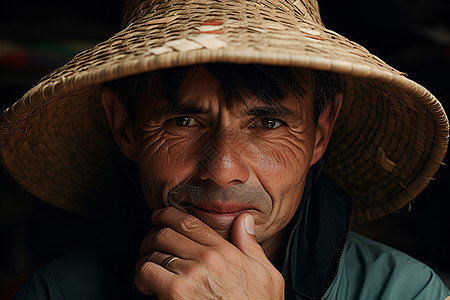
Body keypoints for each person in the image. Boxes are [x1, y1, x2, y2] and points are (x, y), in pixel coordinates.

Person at [1, 0, 449, 299]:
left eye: (268, 122)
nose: (222, 170)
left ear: (320, 130)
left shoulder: (405, 291)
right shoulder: (58, 291)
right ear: (125, 128)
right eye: (184, 121)